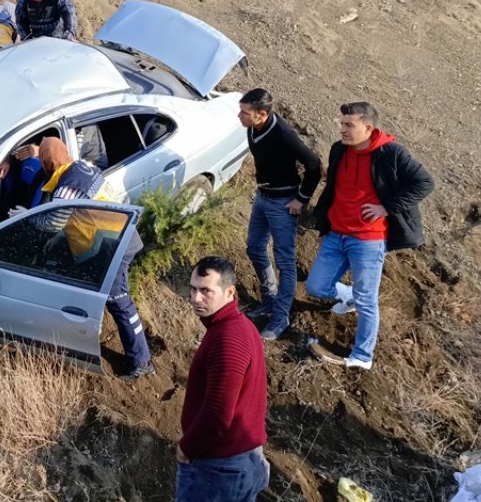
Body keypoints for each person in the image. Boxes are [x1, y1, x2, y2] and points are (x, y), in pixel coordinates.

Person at [306, 102, 434, 370]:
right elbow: (333, 186)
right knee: (316, 286)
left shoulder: (391, 153)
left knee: (367, 300)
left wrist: (385, 208)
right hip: (337, 232)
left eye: (348, 125)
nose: (342, 129)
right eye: (341, 123)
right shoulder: (338, 149)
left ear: (368, 127)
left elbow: (424, 182)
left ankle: (362, 357)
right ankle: (348, 296)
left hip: (368, 238)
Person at [21, 137, 155, 380]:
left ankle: (141, 360)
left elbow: (53, 222)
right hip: (113, 238)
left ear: (47, 162)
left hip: (113, 247)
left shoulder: (68, 185)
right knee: (98, 293)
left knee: (118, 300)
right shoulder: (81, 169)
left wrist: (25, 217)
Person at [176, 257, 269, 502]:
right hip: (243, 460)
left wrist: (187, 448)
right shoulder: (239, 327)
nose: (196, 298)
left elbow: (217, 414)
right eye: (193, 289)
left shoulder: (228, 339)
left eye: (206, 291)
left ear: (230, 292)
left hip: (219, 471)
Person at [236, 88, 322, 340]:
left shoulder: (284, 135)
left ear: (261, 115)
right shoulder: (253, 128)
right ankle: (269, 298)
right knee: (254, 247)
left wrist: (301, 199)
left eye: (244, 113)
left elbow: (314, 166)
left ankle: (280, 316)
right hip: (263, 197)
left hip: (284, 203)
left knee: (285, 261)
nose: (239, 116)